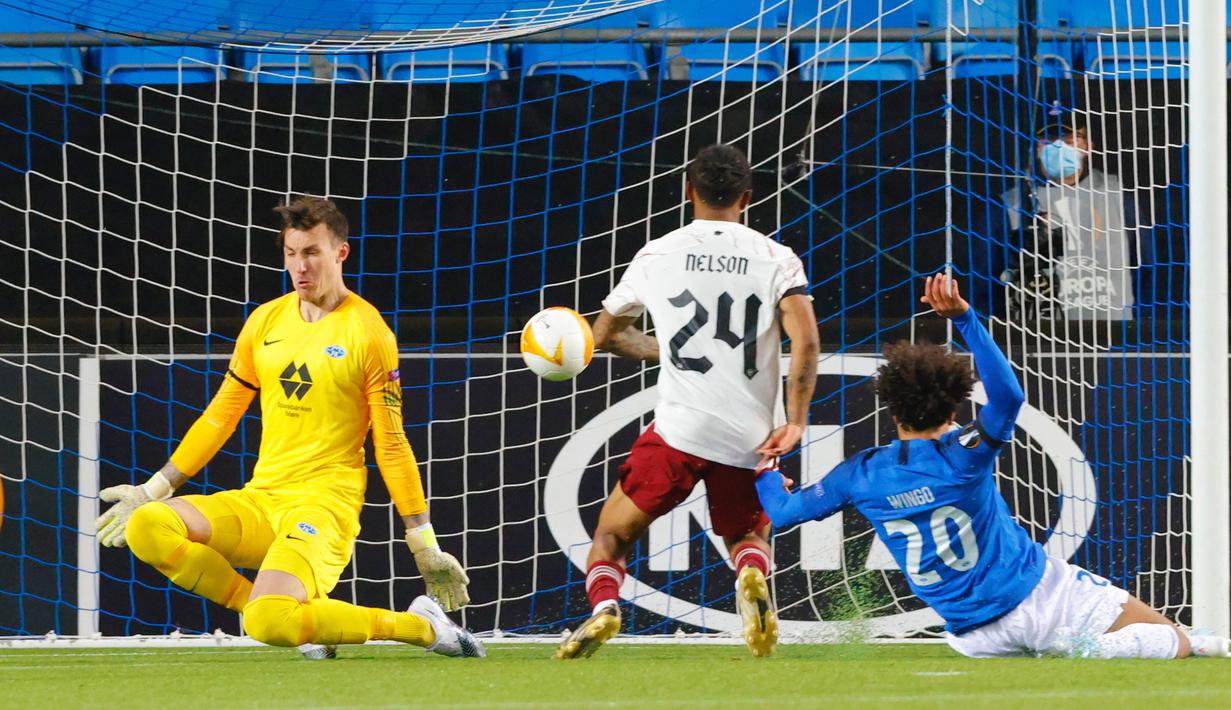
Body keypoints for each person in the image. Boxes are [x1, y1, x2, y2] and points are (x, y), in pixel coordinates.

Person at [755, 272, 1229, 659]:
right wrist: (964, 318)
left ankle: (1200, 646)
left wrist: (765, 472)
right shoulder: (964, 454)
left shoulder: (861, 473)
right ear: (953, 407)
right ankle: (1088, 648)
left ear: (892, 408)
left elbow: (784, 512)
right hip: (1041, 596)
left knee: (1191, 643)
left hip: (975, 638)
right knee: (1174, 640)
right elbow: (1009, 397)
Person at [93, 196, 483, 659]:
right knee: (148, 525)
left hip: (323, 507)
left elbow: (391, 443)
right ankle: (292, 617)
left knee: (269, 622)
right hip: (263, 499)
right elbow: (221, 415)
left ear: (341, 252)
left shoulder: (369, 333)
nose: (301, 266)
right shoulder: (265, 321)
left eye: (312, 252)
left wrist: (423, 544)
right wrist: (153, 489)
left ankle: (421, 626)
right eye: (292, 253)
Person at [554, 144, 820, 659]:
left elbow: (604, 335)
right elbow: (806, 340)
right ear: (747, 197)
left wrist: (674, 349)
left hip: (678, 431)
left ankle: (604, 607)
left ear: (688, 191)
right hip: (749, 438)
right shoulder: (776, 258)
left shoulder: (657, 254)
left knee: (611, 536)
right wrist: (796, 420)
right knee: (748, 536)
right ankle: (750, 573)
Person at [1001, 113, 1137, 320]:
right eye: (1049, 140)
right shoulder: (1012, 204)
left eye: (1069, 139)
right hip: (1039, 331)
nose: (1059, 147)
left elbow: (1146, 263)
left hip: (1112, 326)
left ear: (1088, 146)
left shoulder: (1115, 194)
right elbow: (988, 276)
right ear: (1036, 148)